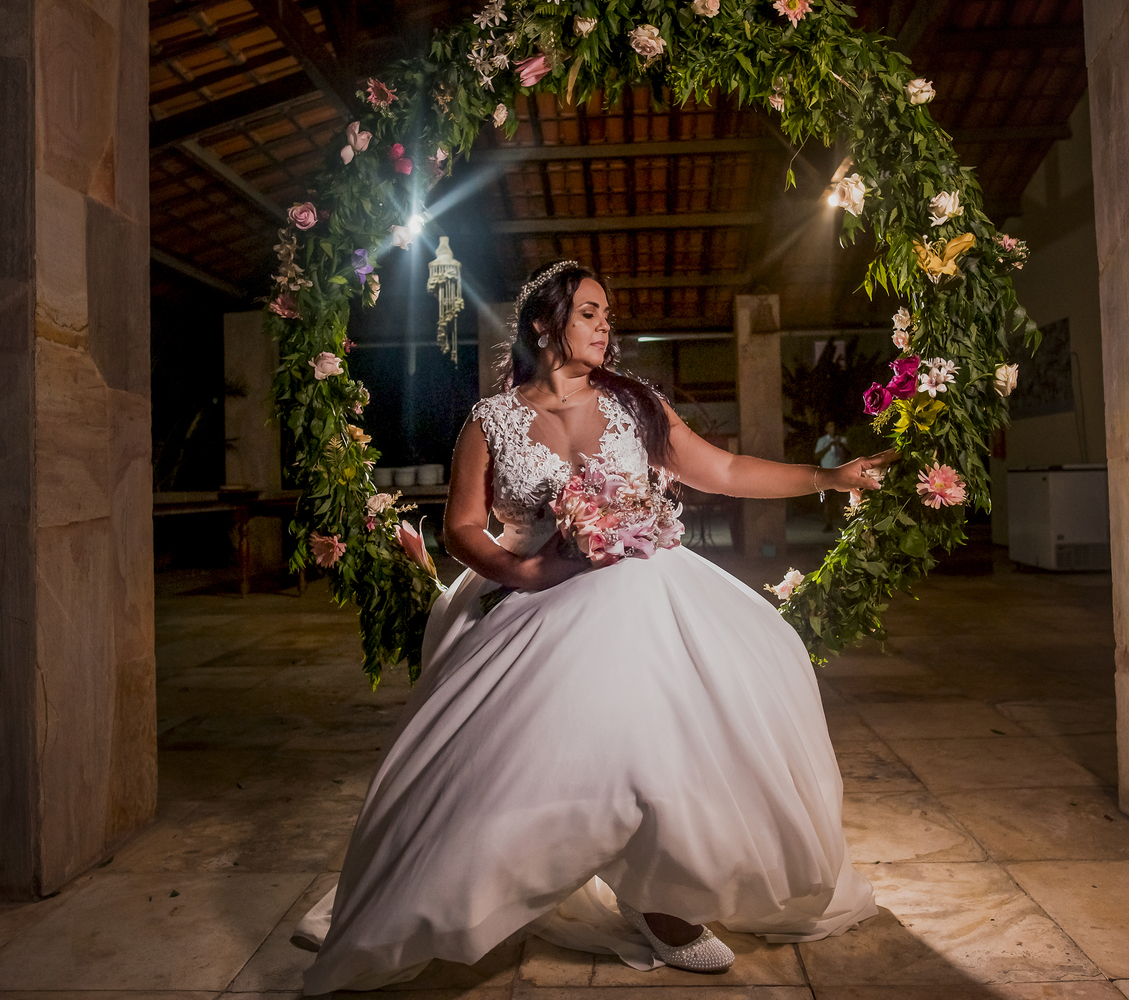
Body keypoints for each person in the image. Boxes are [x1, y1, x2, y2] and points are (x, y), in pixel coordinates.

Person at [292, 261, 890, 994]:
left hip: (651, 589)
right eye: (590, 313)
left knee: (680, 731)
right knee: (514, 756)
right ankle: (463, 887)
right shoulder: (491, 421)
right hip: (542, 592)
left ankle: (661, 897)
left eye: (609, 315)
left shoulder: (637, 405)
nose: (607, 327)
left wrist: (827, 478)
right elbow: (464, 530)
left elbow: (726, 470)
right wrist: (534, 574)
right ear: (545, 324)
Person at [815, 421, 849, 531]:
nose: (833, 428)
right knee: (827, 500)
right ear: (826, 428)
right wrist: (829, 445)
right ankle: (828, 523)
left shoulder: (842, 440)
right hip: (827, 473)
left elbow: (848, 454)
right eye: (830, 426)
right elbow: (817, 455)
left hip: (839, 473)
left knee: (842, 499)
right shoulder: (823, 441)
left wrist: (840, 445)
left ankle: (845, 522)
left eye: (834, 426)